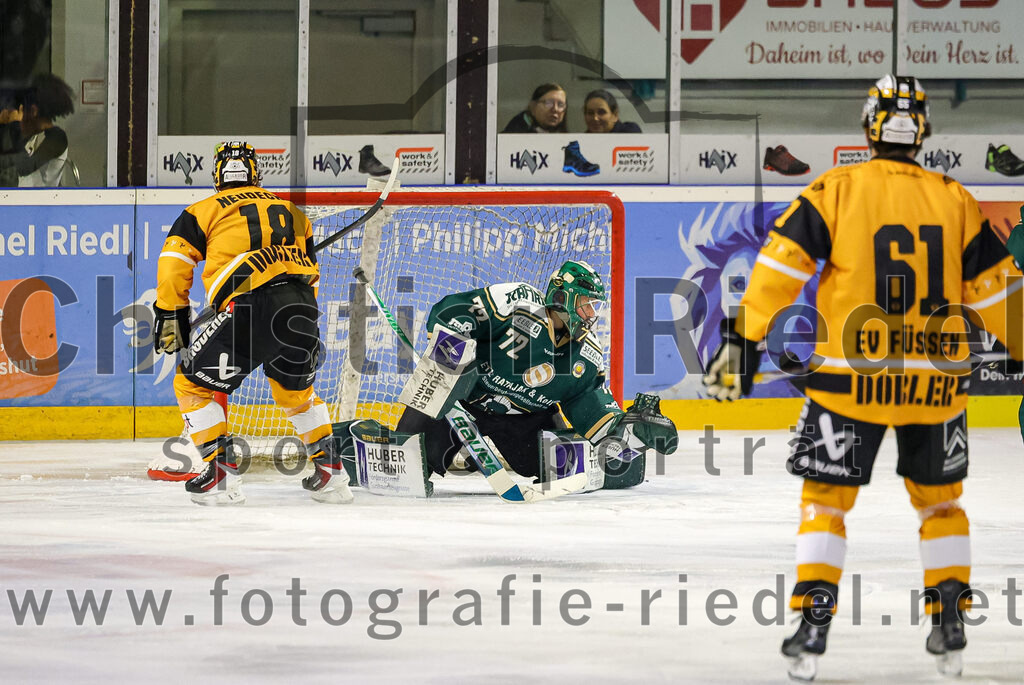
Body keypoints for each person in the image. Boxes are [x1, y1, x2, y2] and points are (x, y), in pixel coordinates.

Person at [702, 74, 1024, 680]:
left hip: (850, 379)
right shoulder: (954, 197)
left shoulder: (836, 189)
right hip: (934, 382)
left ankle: (813, 624)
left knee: (826, 502)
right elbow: (1000, 290)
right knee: (941, 505)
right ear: (923, 129)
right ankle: (949, 618)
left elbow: (779, 267)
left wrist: (741, 342)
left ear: (868, 125)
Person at [152, 140, 352, 506]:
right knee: (296, 395)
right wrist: (305, 325)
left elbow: (173, 266)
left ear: (217, 175)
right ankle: (333, 476)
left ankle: (221, 476)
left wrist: (172, 318)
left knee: (190, 385)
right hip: (301, 309)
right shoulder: (292, 212)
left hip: (246, 309)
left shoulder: (202, 210)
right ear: (256, 173)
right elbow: (312, 277)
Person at [394, 260, 677, 480]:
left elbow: (592, 412)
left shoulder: (588, 354)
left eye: (595, 307)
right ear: (562, 295)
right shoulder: (516, 302)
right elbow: (452, 312)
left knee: (571, 469)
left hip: (525, 421)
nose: (591, 315)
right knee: (406, 469)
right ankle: (356, 441)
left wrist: (628, 431)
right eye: (585, 305)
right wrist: (450, 359)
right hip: (461, 404)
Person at [0, 74, 75, 187]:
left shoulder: (57, 138)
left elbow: (24, 166)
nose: (21, 116)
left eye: (23, 110)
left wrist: (14, 123)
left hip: (42, 201)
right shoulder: (35, 135)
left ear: (33, 111)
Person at [502, 83, 568, 133]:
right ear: (533, 106)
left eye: (560, 104)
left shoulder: (568, 139)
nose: (555, 109)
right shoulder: (514, 134)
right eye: (548, 103)